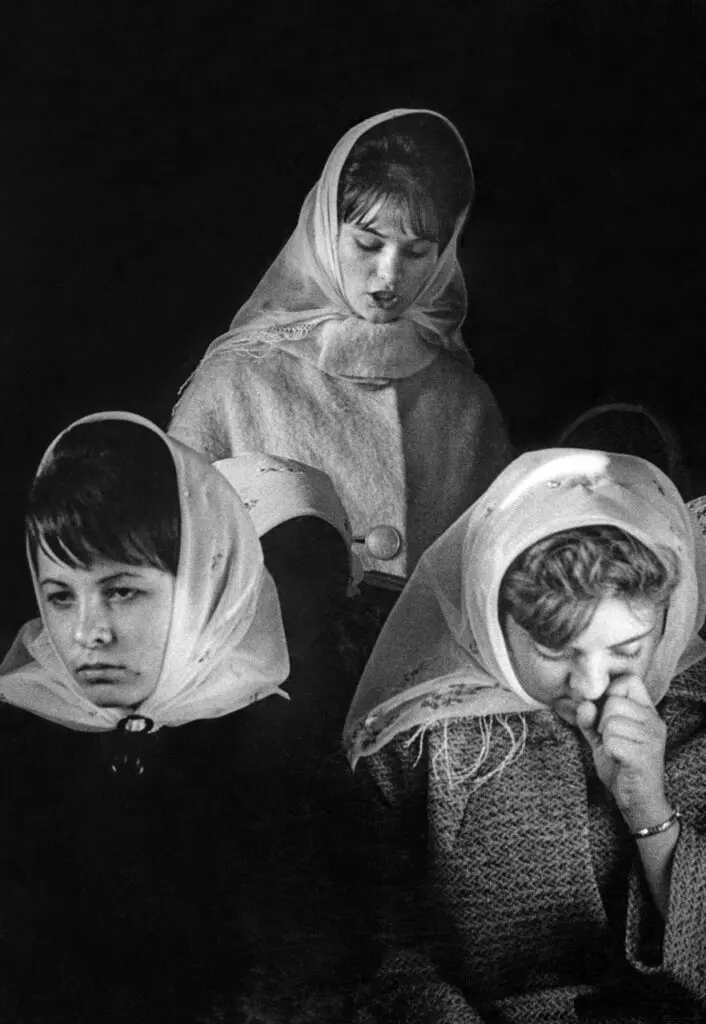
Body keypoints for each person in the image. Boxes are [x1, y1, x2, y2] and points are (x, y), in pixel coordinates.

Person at [344, 449, 706, 1023]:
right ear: (490, 617)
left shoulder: (697, 719)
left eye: (627, 650)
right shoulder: (416, 743)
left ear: (669, 620)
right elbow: (383, 952)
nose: (589, 684)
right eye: (554, 651)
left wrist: (649, 806)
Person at [0, 412, 290, 1023]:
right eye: (59, 596)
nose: (87, 634)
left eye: (122, 591)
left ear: (203, 583)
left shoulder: (278, 751)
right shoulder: (17, 735)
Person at [169, 108, 512, 589]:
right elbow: (171, 559)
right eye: (368, 245)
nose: (389, 276)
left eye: (416, 253)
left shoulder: (467, 403)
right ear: (325, 234)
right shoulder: (234, 382)